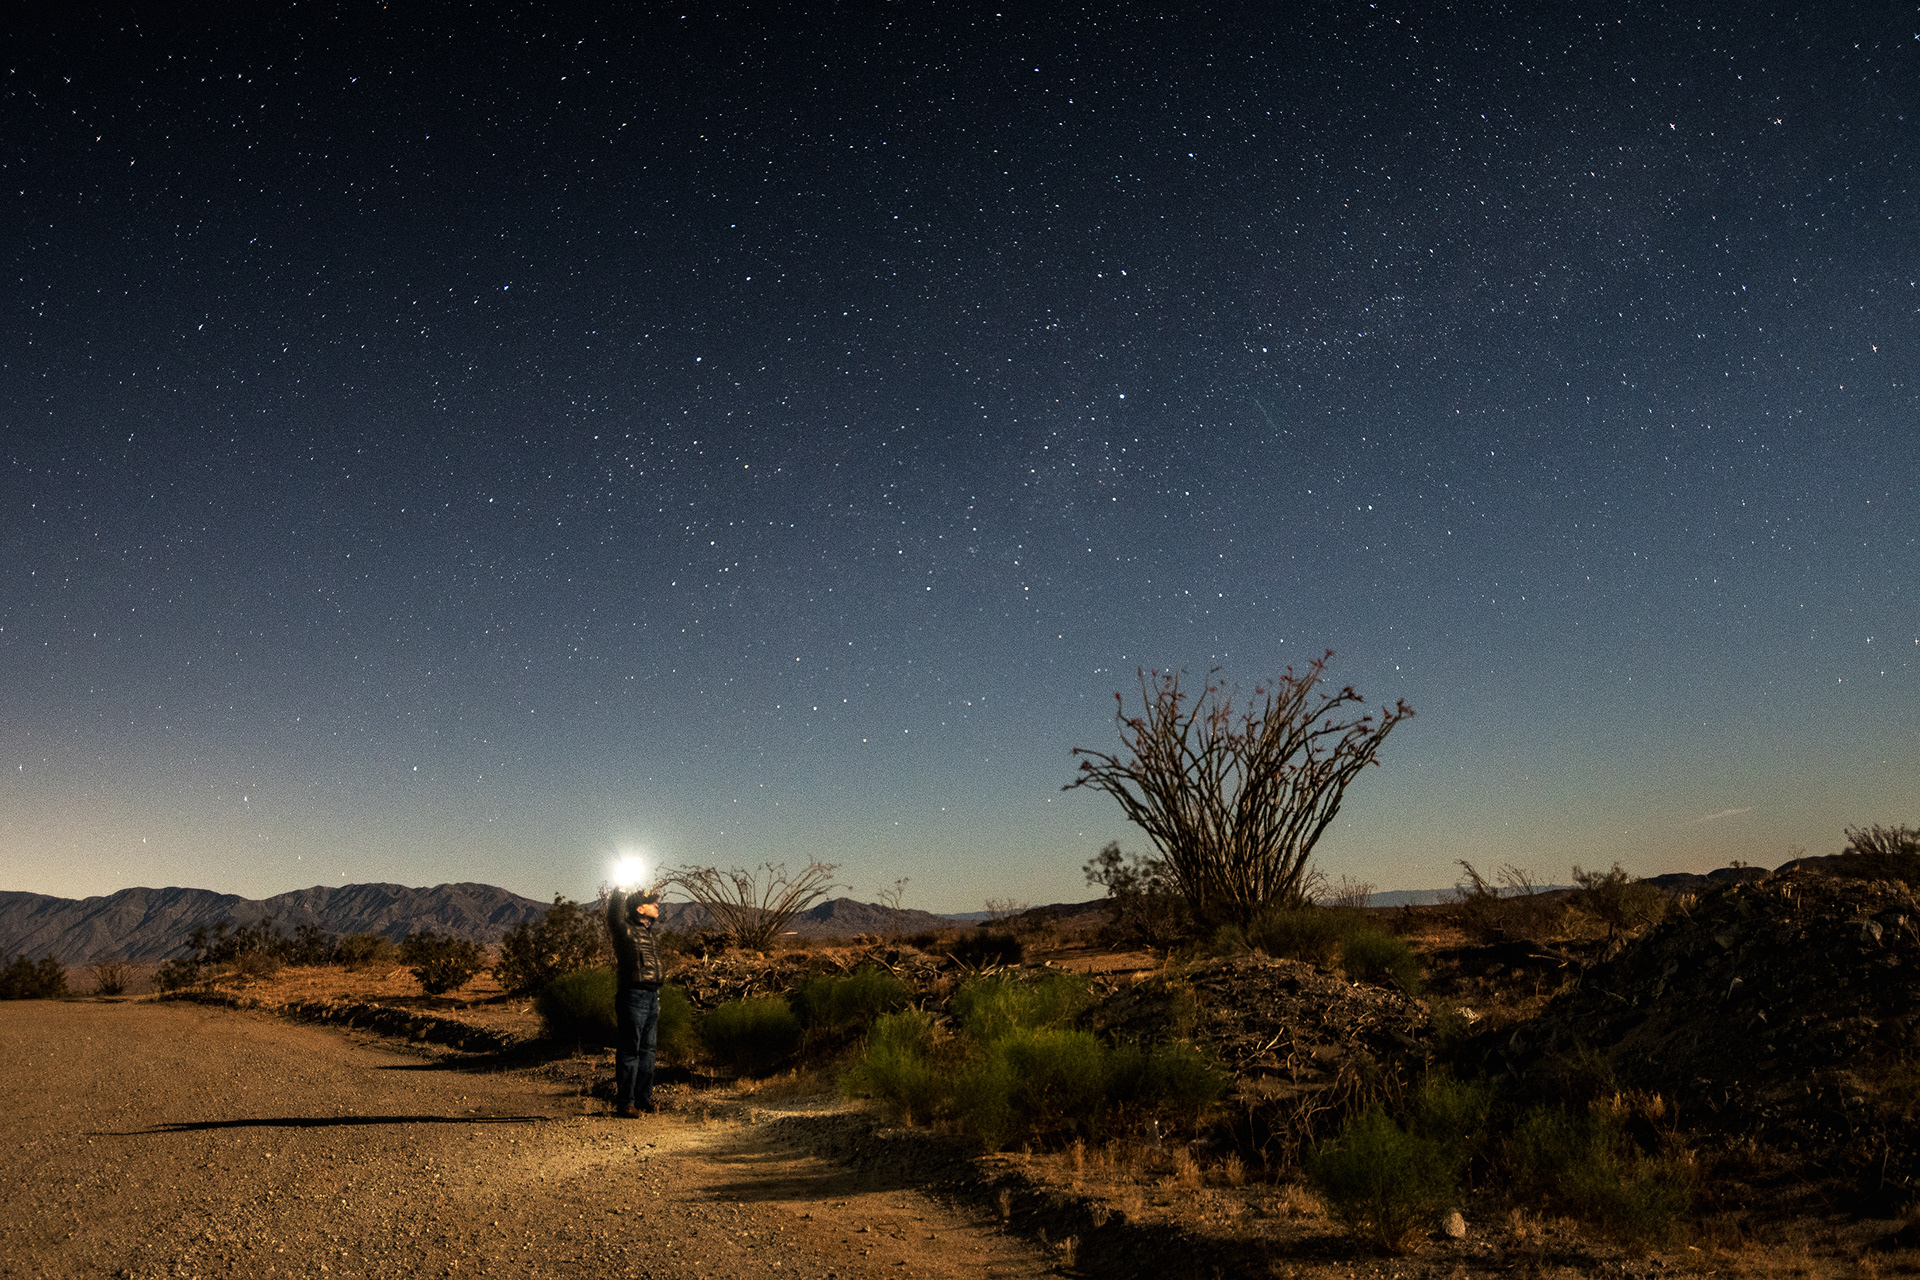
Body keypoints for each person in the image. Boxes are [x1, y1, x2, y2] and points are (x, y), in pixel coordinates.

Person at [605, 887, 666, 1117]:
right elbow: (613, 915)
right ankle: (626, 1103)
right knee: (630, 1051)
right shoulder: (624, 930)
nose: (657, 905)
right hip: (633, 996)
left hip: (652, 996)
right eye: (652, 902)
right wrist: (620, 890)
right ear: (640, 908)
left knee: (648, 1051)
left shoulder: (649, 933)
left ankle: (643, 1099)